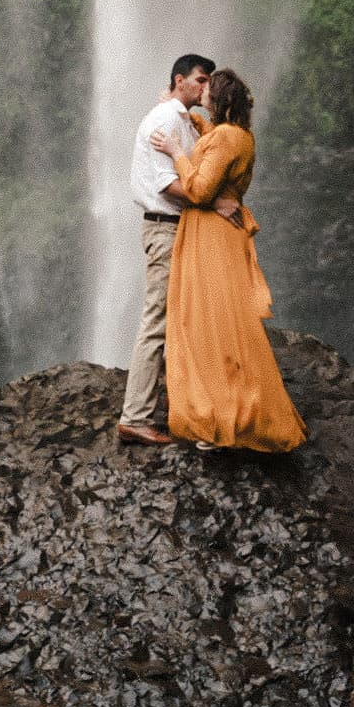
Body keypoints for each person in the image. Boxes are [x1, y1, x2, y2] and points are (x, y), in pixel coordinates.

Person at [151, 67, 307, 454]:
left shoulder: (224, 138)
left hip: (210, 237)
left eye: (207, 88)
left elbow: (201, 190)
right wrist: (191, 120)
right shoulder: (240, 136)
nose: (201, 91)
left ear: (218, 99)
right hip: (220, 235)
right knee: (224, 320)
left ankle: (220, 417)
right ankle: (232, 408)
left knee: (210, 323)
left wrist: (175, 153)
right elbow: (217, 146)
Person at [115, 52, 215, 446]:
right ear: (179, 80)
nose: (206, 87)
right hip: (165, 230)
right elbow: (165, 184)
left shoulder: (180, 120)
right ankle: (135, 417)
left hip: (179, 231)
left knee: (180, 321)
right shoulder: (164, 121)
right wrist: (211, 201)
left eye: (209, 82)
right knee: (158, 321)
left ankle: (178, 410)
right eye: (200, 80)